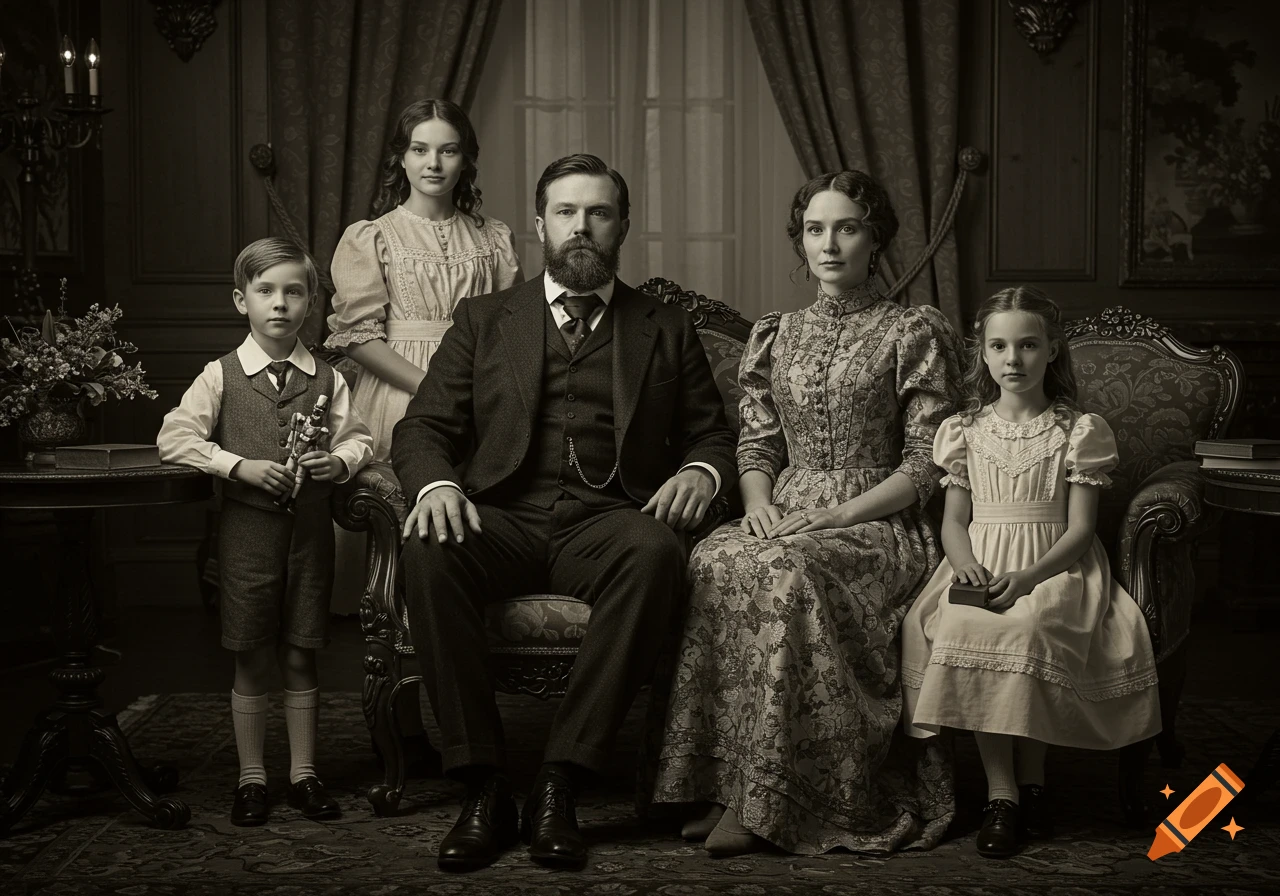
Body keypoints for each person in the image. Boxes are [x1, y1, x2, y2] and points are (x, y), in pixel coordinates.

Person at [391, 153, 737, 872]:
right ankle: (482, 783)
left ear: (624, 227)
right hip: (502, 515)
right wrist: (438, 487)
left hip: (607, 519)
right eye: (568, 213)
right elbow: (423, 427)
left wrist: (702, 471)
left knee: (655, 553)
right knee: (427, 548)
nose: (583, 228)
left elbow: (712, 431)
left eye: (600, 213)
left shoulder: (665, 325)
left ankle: (561, 781)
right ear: (539, 224)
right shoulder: (485, 319)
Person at [649, 171, 962, 856]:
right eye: (815, 229)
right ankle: (730, 784)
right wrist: (758, 507)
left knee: (791, 573)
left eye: (846, 227)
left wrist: (840, 515)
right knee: (717, 555)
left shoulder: (913, 330)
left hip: (879, 520)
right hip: (787, 507)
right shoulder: (776, 333)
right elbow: (756, 443)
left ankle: (781, 797)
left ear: (874, 237)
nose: (829, 243)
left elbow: (924, 462)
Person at [899, 286, 1161, 859]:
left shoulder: (1078, 430)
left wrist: (1028, 578)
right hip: (981, 560)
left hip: (1053, 565)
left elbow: (1079, 532)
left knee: (1029, 627)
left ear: (1052, 350)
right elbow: (953, 522)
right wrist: (965, 563)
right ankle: (1003, 792)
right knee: (970, 629)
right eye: (999, 346)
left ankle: (1034, 778)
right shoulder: (963, 431)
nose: (1012, 359)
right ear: (983, 354)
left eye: (1027, 345)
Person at [158, 238, 374, 826]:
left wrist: (341, 462)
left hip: (309, 540)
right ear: (241, 300)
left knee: (303, 652)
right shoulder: (220, 375)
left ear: (310, 303)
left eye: (293, 291)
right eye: (265, 291)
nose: (279, 303)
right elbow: (174, 439)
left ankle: (304, 776)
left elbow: (359, 437)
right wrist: (238, 465)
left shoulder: (329, 376)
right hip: (246, 540)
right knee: (251, 654)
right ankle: (252, 779)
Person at [326, 98, 522, 617]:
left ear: (465, 161)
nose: (433, 163)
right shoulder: (371, 237)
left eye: (448, 150)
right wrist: (436, 388)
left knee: (474, 515)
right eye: (420, 149)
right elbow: (359, 337)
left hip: (481, 389)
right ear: (403, 159)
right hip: (398, 388)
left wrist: (485, 393)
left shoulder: (493, 238)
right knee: (404, 515)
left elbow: (513, 331)